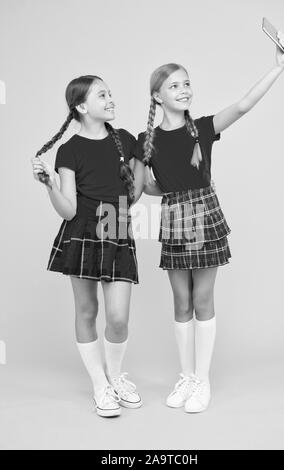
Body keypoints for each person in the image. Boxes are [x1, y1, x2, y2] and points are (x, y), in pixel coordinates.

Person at [133, 31, 284, 413]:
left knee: (203, 299)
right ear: (157, 96)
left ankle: (202, 380)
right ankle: (186, 377)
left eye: (187, 83)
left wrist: (279, 66)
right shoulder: (147, 138)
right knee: (181, 300)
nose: (184, 89)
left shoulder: (204, 127)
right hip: (175, 217)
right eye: (174, 85)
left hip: (205, 214)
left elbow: (243, 105)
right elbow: (145, 187)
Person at [31, 75, 144, 418]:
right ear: (81, 107)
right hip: (81, 229)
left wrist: (144, 161)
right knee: (87, 311)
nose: (111, 99)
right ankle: (100, 385)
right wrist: (50, 184)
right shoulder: (70, 150)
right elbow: (68, 208)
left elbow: (134, 195)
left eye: (110, 92)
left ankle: (115, 375)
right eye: (102, 95)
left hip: (117, 223)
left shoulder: (125, 139)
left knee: (118, 317)